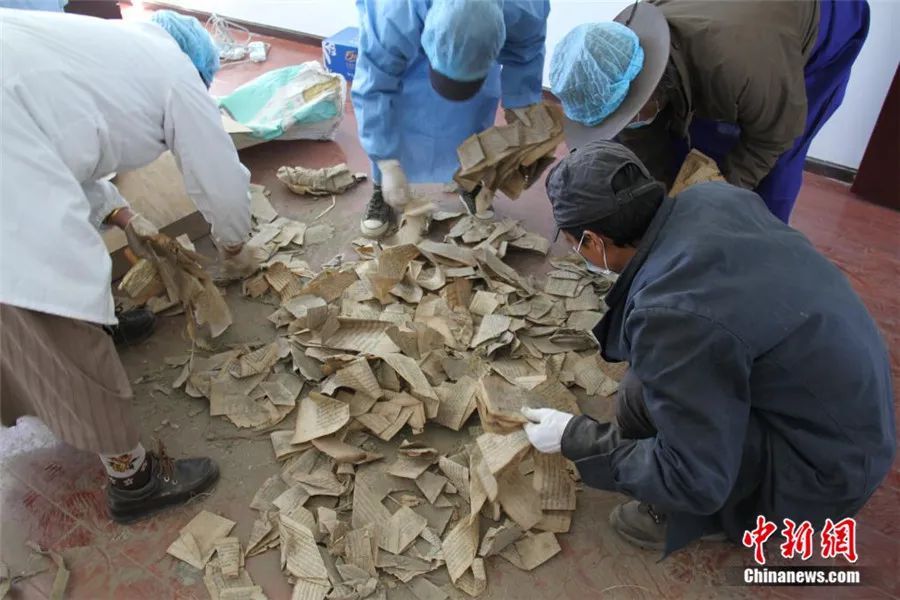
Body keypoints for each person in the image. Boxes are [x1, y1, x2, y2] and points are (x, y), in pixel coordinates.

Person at [521, 141, 895, 554]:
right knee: (641, 388)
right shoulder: (712, 198)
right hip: (844, 419)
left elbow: (695, 477)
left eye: (573, 242)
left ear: (593, 240)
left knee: (678, 465)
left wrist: (574, 438)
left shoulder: (673, 314)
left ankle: (711, 514)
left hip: (820, 472)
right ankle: (659, 462)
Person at [0, 9, 255, 522]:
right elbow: (219, 176)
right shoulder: (178, 77)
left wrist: (121, 212)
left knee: (44, 287)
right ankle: (134, 481)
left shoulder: (110, 47)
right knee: (54, 298)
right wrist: (234, 245)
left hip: (14, 140)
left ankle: (100, 326)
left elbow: (66, 142)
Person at [549, 0, 870, 223]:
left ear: (647, 86)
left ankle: (762, 253)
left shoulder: (740, 68)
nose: (626, 124)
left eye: (627, 115)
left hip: (822, 19)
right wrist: (661, 200)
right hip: (736, 26)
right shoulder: (618, 52)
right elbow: (642, 133)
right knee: (683, 136)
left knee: (777, 163)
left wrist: (714, 199)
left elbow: (773, 139)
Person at [351, 0, 550, 238]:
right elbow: (374, 83)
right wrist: (386, 162)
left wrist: (521, 106)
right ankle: (381, 185)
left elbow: (526, 51)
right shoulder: (394, 13)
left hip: (480, 41)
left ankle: (469, 179)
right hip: (405, 35)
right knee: (399, 103)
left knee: (472, 110)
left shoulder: (524, 6)